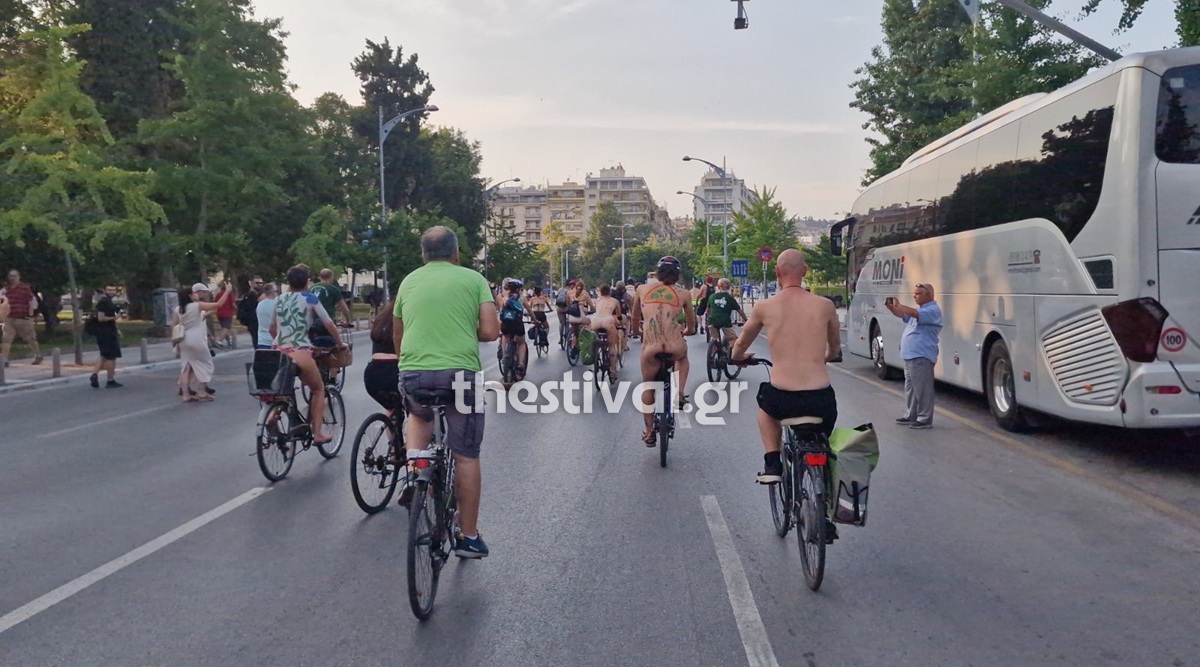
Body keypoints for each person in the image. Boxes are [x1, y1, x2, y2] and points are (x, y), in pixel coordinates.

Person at [394, 226, 499, 558]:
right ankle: (469, 536)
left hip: (414, 372)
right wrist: (463, 329)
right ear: (456, 254)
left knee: (418, 415)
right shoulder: (474, 279)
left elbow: (399, 333)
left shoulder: (408, 281)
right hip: (460, 374)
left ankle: (415, 474)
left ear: (423, 255)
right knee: (466, 454)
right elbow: (491, 331)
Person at [730, 249, 841, 485]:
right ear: (805, 271)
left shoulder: (765, 307)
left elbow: (741, 344)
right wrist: (823, 358)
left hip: (782, 397)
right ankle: (825, 489)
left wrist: (738, 357)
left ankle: (772, 464)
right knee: (823, 443)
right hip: (821, 399)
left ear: (777, 272)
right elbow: (834, 350)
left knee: (765, 410)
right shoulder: (825, 305)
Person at [270, 265, 345, 441]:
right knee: (318, 389)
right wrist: (339, 343)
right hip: (300, 350)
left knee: (282, 392)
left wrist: (282, 343)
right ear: (307, 282)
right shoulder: (310, 298)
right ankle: (317, 433)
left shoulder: (278, 299)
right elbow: (329, 324)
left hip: (278, 350)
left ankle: (272, 416)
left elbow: (272, 328)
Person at [632, 257, 695, 445]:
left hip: (651, 348)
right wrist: (688, 331)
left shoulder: (642, 289)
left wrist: (636, 332)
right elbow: (691, 324)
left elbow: (634, 318)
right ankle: (680, 394)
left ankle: (649, 431)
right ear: (677, 275)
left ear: (657, 273)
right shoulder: (684, 294)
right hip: (674, 346)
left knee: (648, 386)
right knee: (683, 356)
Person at [886, 282, 943, 429]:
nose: (914, 296)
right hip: (910, 355)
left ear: (928, 295)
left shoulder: (932, 310)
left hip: (921, 354)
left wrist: (900, 305)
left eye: (918, 293)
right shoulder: (919, 309)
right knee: (911, 388)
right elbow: (904, 315)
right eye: (914, 293)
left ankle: (924, 418)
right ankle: (911, 414)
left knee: (923, 389)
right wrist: (893, 309)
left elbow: (913, 314)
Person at [173, 283, 233, 402]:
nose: (196, 294)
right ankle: (202, 391)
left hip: (183, 339)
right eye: (193, 293)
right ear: (190, 296)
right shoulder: (197, 306)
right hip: (196, 339)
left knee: (186, 367)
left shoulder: (178, 309)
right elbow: (219, 304)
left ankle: (186, 395)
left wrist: (174, 342)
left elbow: (174, 325)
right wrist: (227, 291)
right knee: (206, 364)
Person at [364, 298, 404, 419]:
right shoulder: (405, 319)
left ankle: (390, 429)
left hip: (372, 375)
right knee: (417, 413)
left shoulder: (381, 319)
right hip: (395, 372)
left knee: (391, 410)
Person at [1, 269, 43, 366]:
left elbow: (32, 302)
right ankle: (4, 359)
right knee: (6, 339)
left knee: (31, 338)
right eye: (10, 276)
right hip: (10, 318)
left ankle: (38, 355)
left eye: (14, 276)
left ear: (19, 277)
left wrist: (31, 316)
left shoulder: (25, 289)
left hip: (23, 318)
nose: (12, 278)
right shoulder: (6, 290)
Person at [89, 286, 123, 388]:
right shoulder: (104, 302)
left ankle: (94, 375)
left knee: (103, 355)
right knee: (111, 357)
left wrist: (116, 329)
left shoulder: (106, 302)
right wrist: (115, 317)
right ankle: (110, 380)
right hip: (107, 334)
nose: (111, 292)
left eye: (113, 290)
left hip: (104, 332)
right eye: (109, 290)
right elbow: (101, 318)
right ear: (104, 291)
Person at [496, 278, 528, 381]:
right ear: (518, 289)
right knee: (521, 343)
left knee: (505, 336)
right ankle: (521, 365)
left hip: (505, 324)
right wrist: (535, 320)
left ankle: (505, 355)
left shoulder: (503, 298)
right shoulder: (521, 299)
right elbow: (529, 311)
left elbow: (500, 310)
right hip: (517, 325)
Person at [310, 268, 353, 334]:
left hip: (312, 322)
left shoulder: (311, 288)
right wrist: (348, 321)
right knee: (333, 339)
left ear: (320, 277)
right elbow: (344, 308)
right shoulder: (333, 289)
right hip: (328, 322)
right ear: (331, 277)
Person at [705, 278, 746, 345]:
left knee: (715, 338)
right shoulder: (730, 298)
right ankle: (732, 350)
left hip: (712, 321)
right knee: (734, 339)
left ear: (718, 286)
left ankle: (715, 347)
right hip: (725, 321)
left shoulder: (712, 296)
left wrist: (709, 318)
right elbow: (740, 311)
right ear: (729, 287)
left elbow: (707, 311)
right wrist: (746, 320)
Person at [588, 283, 622, 362]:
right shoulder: (615, 301)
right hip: (608, 321)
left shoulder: (597, 300)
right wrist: (620, 323)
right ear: (610, 291)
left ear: (600, 292)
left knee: (596, 337)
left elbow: (596, 310)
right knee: (612, 346)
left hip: (595, 321)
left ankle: (597, 349)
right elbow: (619, 315)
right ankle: (613, 368)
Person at [237, 275, 263, 348]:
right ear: (251, 283)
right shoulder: (249, 296)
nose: (259, 285)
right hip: (254, 324)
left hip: (259, 323)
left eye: (261, 283)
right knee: (257, 344)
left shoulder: (258, 294)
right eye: (257, 283)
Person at [254, 283, 278, 349]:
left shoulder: (259, 304)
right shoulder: (277, 305)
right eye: (276, 291)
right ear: (273, 292)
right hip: (274, 340)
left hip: (262, 340)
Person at [213, 283, 238, 348]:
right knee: (226, 327)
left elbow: (215, 303)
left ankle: (228, 343)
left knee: (224, 328)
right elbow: (233, 304)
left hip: (219, 313)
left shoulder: (218, 294)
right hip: (227, 313)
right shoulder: (229, 295)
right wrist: (237, 310)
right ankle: (219, 341)